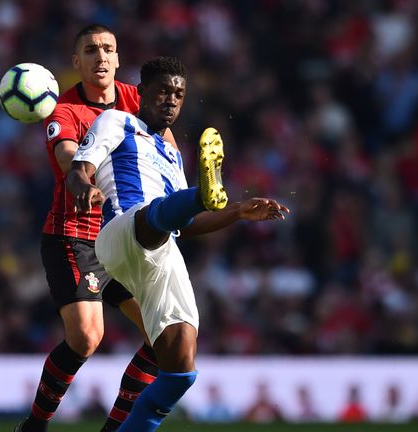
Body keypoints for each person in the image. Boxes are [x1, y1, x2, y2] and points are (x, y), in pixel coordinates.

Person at [67, 56, 289, 431]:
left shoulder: (172, 154)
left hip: (161, 251)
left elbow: (184, 224)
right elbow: (79, 169)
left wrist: (236, 212)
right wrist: (85, 188)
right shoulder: (116, 121)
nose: (171, 100)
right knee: (155, 214)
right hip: (121, 232)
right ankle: (204, 192)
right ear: (141, 94)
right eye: (163, 92)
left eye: (179, 94)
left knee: (180, 370)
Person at [16, 24, 177, 432]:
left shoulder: (134, 99)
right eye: (90, 50)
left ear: (119, 58)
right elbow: (69, 153)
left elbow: (167, 145)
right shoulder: (63, 110)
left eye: (108, 49)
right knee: (87, 337)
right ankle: (34, 426)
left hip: (126, 236)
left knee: (165, 340)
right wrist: (84, 181)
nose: (100, 56)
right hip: (75, 234)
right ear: (77, 62)